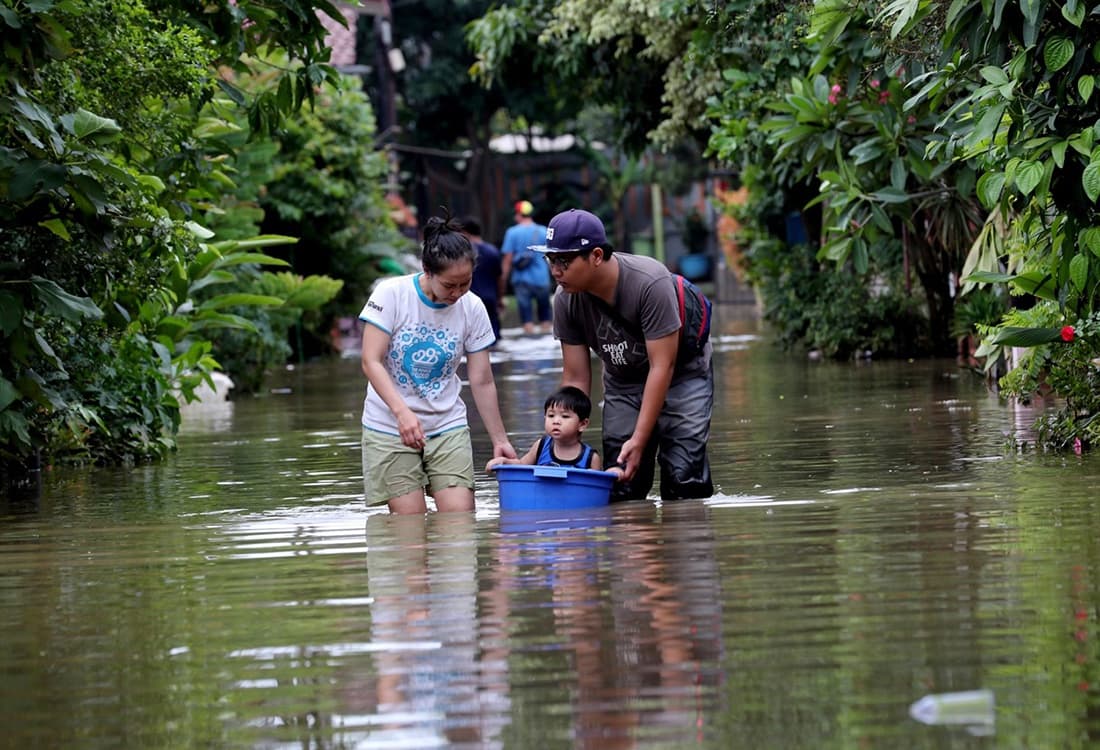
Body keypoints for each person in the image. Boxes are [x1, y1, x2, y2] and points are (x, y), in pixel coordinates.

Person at [533, 208, 714, 502]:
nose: (555, 271)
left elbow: (662, 367)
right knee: (620, 481)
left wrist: (640, 440)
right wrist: (558, 442)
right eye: (551, 260)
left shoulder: (649, 284)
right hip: (622, 380)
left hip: (682, 373)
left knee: (683, 479)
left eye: (564, 261)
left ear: (595, 256)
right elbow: (576, 378)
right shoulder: (565, 300)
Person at [358, 214, 517, 514]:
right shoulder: (391, 295)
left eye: (465, 283)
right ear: (427, 271)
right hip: (389, 424)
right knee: (410, 528)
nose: (457, 293)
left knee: (460, 522)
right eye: (449, 285)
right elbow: (371, 361)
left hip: (447, 423)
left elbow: (482, 379)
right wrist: (402, 413)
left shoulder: (472, 307)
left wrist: (500, 439)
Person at [486, 386, 604, 471]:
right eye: (551, 415)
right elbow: (522, 465)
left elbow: (599, 489)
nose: (556, 421)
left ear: (582, 424)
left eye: (565, 416)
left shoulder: (590, 458)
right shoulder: (542, 446)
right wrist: (504, 462)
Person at [500, 199, 553, 335]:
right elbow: (552, 254)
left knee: (527, 319)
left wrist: (503, 279)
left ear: (518, 214)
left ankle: (529, 336)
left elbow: (507, 258)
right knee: (545, 318)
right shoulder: (543, 231)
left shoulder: (512, 232)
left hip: (521, 280)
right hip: (542, 279)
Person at [456, 215, 503, 344]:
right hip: (490, 298)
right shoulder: (493, 251)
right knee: (493, 338)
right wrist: (499, 298)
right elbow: (499, 277)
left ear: (464, 232)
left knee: (471, 340)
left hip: (470, 299)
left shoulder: (463, 252)